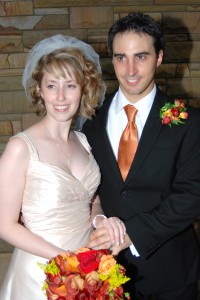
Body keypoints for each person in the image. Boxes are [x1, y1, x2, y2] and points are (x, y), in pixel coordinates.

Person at [83, 12, 200, 300]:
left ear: (159, 57)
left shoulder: (189, 122)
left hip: (171, 274)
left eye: (141, 56)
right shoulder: (91, 122)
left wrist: (133, 233)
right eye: (121, 57)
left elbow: (192, 195)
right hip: (104, 274)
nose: (131, 69)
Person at [0, 34, 126, 300]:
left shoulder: (85, 142)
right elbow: (5, 225)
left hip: (88, 268)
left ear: (83, 89)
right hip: (41, 272)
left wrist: (101, 220)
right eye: (51, 85)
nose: (60, 96)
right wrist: (65, 261)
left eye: (70, 85)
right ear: (40, 90)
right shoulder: (21, 147)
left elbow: (92, 201)